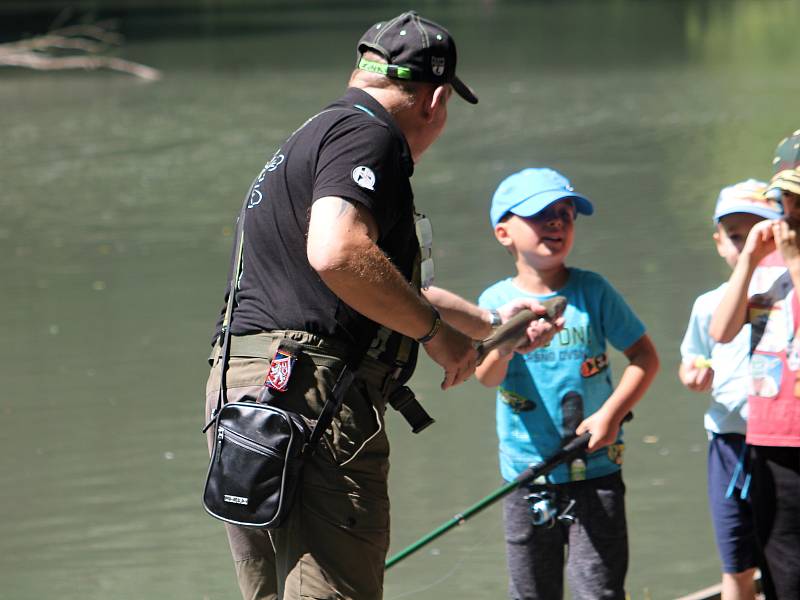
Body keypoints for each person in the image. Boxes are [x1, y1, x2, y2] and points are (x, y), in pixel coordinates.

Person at [204, 12, 561, 600]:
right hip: (311, 398)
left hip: (245, 396)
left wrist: (497, 325)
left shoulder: (316, 133)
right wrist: (435, 337)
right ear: (436, 99)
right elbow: (339, 252)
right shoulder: (368, 137)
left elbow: (387, 289)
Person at [475, 167, 659, 600]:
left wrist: (611, 415)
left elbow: (645, 357)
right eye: (541, 214)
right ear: (504, 233)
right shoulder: (494, 304)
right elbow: (485, 376)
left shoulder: (593, 291)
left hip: (596, 469)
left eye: (566, 214)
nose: (557, 222)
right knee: (532, 592)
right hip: (526, 474)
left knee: (599, 589)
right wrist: (508, 344)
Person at [678, 179, 781, 600]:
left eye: (759, 233)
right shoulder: (708, 305)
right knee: (736, 562)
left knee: (783, 552)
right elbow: (693, 360)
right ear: (719, 242)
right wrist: (694, 375)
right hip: (729, 443)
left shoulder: (785, 294)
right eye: (736, 237)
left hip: (781, 444)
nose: (748, 246)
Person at [710, 130, 800, 600]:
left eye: (799, 202)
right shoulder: (764, 267)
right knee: (779, 561)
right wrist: (748, 259)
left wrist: (795, 261)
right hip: (768, 437)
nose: (791, 214)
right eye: (784, 201)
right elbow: (722, 331)